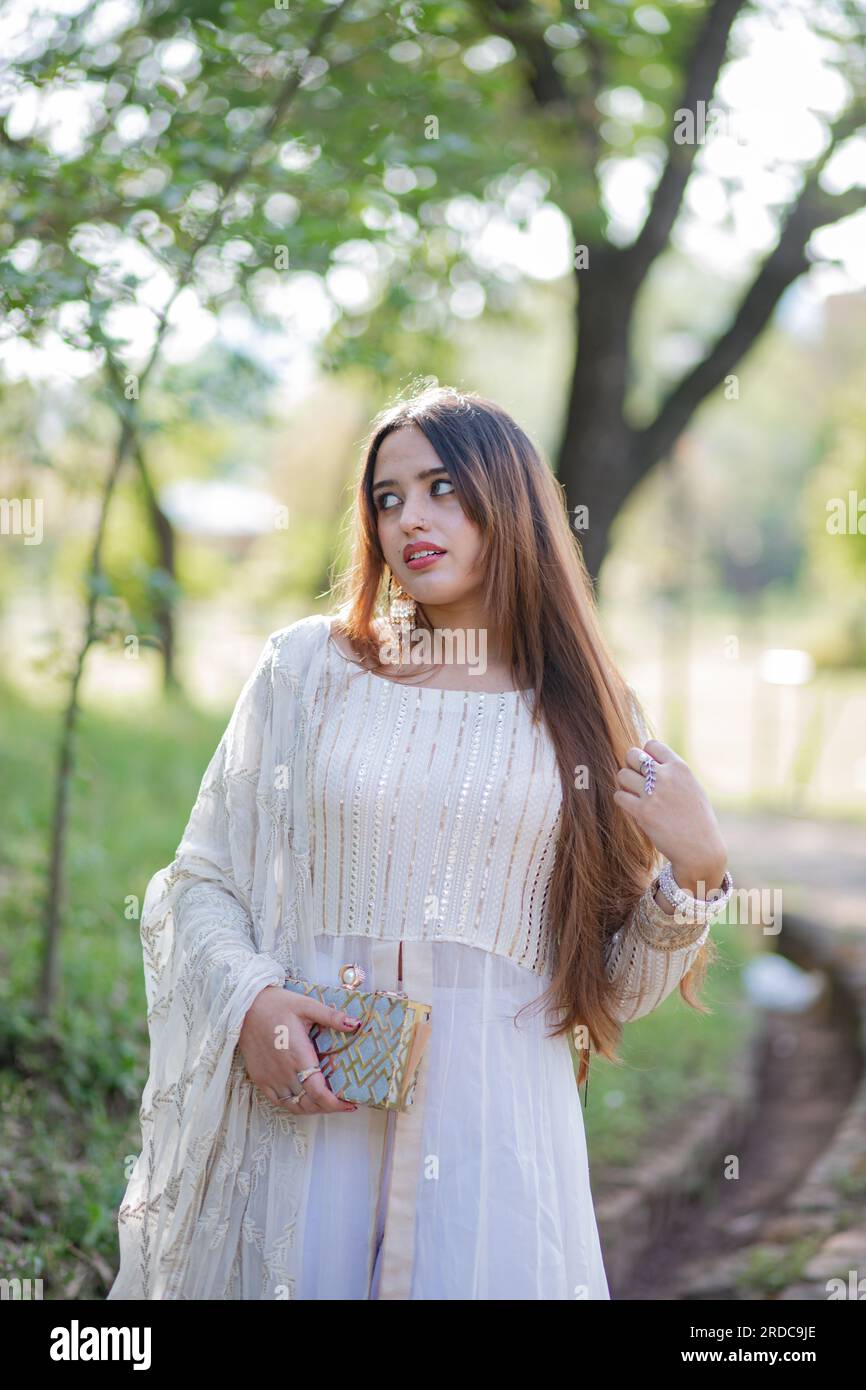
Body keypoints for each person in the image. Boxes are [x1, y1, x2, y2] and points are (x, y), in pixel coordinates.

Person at [107, 384, 733, 1300]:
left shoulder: (588, 715)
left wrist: (700, 870)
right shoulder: (308, 670)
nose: (411, 520)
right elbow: (200, 879)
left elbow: (612, 989)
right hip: (308, 1120)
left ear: (508, 501)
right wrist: (251, 1003)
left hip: (494, 1149)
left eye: (443, 487)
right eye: (388, 497)